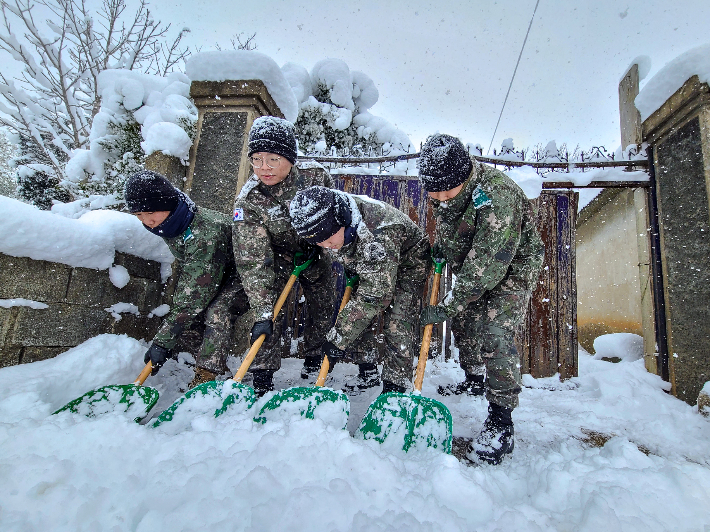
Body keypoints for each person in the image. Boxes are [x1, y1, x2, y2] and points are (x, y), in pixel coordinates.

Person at [417, 134, 544, 465]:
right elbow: (448, 220)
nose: (441, 197)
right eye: (434, 191)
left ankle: (502, 421)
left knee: (493, 332)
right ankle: (474, 380)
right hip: (479, 261)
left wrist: (447, 305)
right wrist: (444, 247)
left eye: (448, 190)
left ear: (465, 175)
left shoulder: (496, 197)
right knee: (464, 322)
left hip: (511, 266)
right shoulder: (442, 185)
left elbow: (483, 269)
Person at [289, 186, 430, 395]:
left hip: (408, 263)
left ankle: (395, 388)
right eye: (318, 241)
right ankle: (368, 369)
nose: (326, 246)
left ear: (343, 222)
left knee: (397, 321)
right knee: (356, 315)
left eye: (328, 239)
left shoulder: (379, 232)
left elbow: (377, 295)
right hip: (366, 260)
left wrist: (338, 339)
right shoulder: (327, 214)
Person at [232, 116, 337, 396]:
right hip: (274, 258)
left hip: (316, 249)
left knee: (324, 303)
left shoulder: (316, 178)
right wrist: (263, 310)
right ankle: (262, 375)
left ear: (290, 158)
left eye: (273, 159)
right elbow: (252, 260)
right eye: (256, 159)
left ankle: (316, 358)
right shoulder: (249, 200)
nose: (263, 168)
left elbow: (334, 219)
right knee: (269, 310)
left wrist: (317, 244)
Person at [125, 170, 250, 388]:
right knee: (190, 315)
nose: (147, 221)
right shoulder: (174, 222)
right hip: (217, 271)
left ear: (166, 203)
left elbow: (194, 294)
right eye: (138, 216)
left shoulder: (203, 233)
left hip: (246, 274)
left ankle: (206, 376)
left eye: (150, 212)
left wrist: (162, 342)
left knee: (216, 311)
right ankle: (208, 360)